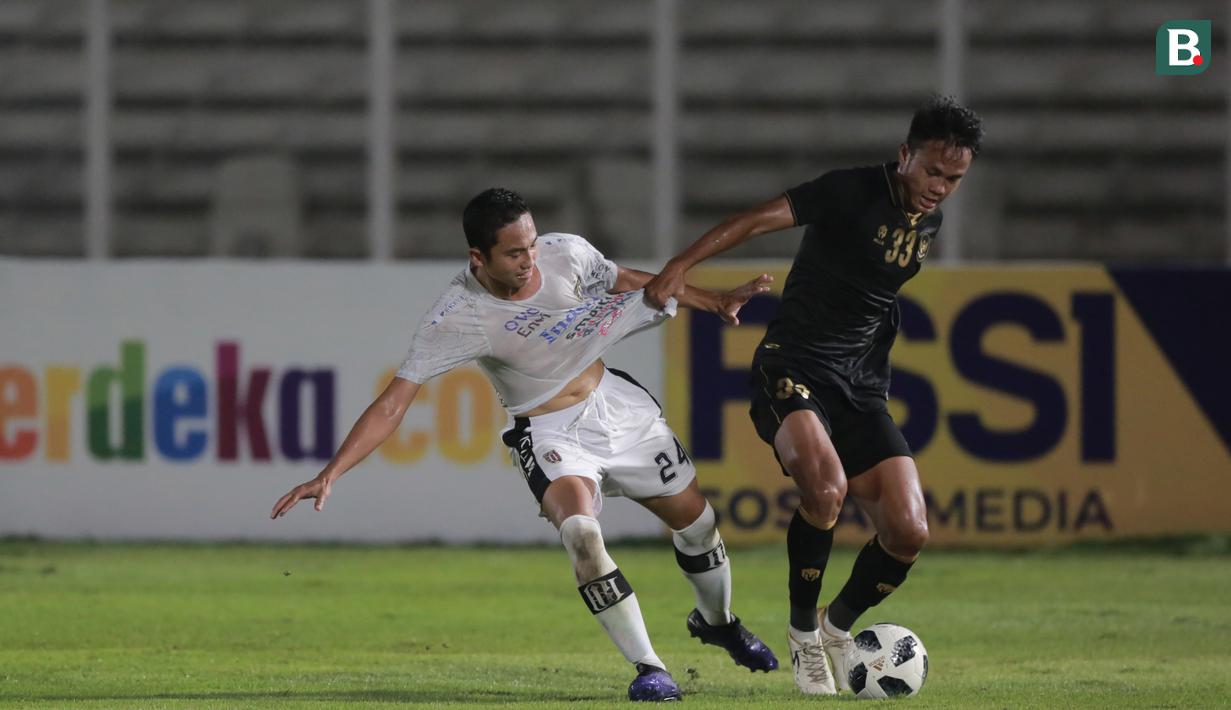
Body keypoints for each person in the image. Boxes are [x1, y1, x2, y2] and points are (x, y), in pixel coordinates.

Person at [271, 188, 779, 702]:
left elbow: (627, 282)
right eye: (514, 253)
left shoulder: (565, 253)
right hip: (550, 433)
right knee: (581, 533)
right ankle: (649, 667)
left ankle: (717, 622)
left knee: (699, 526)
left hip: (619, 411)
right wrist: (331, 472)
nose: (530, 260)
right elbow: (393, 404)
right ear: (479, 257)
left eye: (531, 245)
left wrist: (708, 298)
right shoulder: (457, 317)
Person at [643, 95, 984, 696]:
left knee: (909, 531)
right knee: (826, 489)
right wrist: (679, 266)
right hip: (792, 366)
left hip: (860, 385)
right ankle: (803, 636)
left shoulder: (926, 216)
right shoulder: (851, 191)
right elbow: (755, 218)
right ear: (905, 154)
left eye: (954, 178)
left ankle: (836, 626)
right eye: (932, 171)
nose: (940, 187)